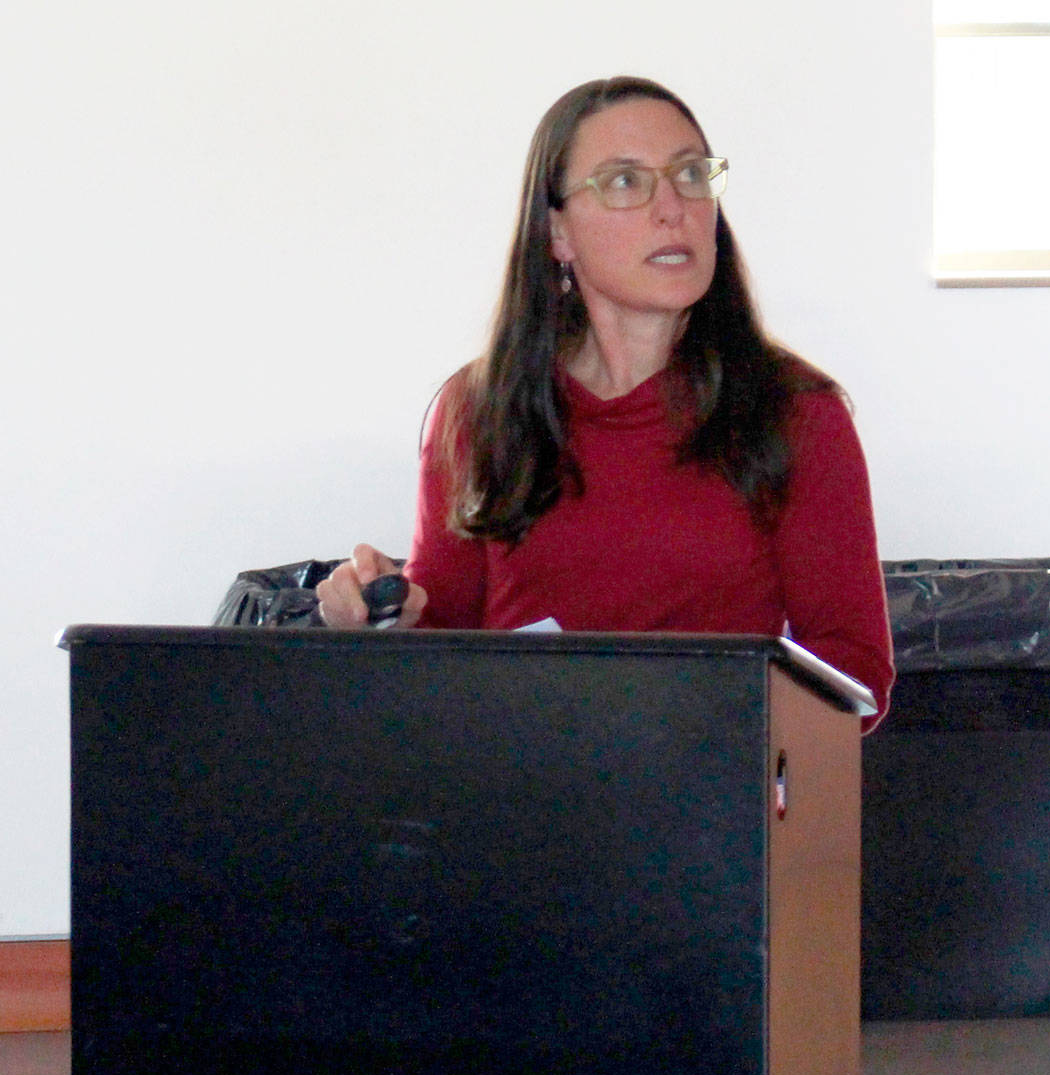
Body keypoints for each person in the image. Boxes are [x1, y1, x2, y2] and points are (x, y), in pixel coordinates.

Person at [316, 75, 894, 728]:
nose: (673, 208)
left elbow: (855, 673)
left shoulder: (795, 411)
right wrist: (371, 620)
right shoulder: (476, 412)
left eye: (690, 175)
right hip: (522, 791)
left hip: (714, 795)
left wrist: (685, 726)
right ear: (557, 232)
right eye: (625, 182)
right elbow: (444, 642)